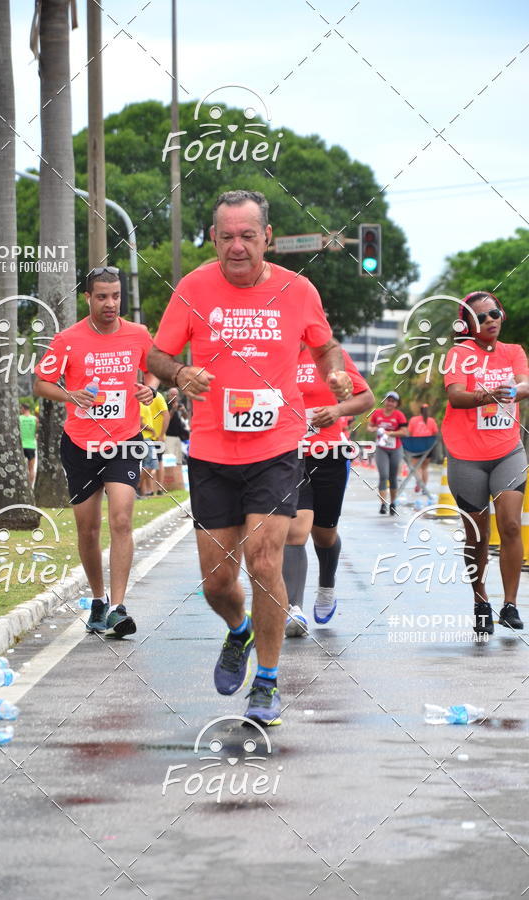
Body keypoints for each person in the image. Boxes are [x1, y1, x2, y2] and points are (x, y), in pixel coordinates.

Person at [146, 189, 352, 726]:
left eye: (248, 235)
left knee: (265, 562)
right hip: (213, 451)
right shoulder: (193, 287)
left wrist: (331, 369)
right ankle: (237, 633)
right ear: (214, 238)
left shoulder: (297, 289)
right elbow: (158, 353)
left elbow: (323, 343)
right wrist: (178, 374)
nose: (237, 246)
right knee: (217, 581)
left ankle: (267, 681)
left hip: (276, 447)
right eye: (226, 236)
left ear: (268, 238)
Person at [34, 266, 156, 637]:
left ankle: (119, 607)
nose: (110, 303)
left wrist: (148, 388)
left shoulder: (138, 334)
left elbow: (153, 370)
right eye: (102, 296)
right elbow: (41, 383)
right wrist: (70, 394)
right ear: (88, 297)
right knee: (88, 529)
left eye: (116, 296)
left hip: (125, 439)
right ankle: (99, 600)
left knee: (121, 518)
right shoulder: (68, 340)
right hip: (81, 443)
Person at [442, 290, 529, 635]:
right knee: (476, 535)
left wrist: (516, 390)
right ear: (468, 324)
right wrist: (487, 395)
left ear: (501, 315)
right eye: (481, 317)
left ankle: (510, 605)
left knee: (509, 524)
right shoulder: (458, 354)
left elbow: (524, 383)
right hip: (466, 456)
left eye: (494, 313)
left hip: (508, 450)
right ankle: (480, 600)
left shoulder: (513, 352)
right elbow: (456, 395)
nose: (490, 320)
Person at [283, 346, 374, 636]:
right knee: (296, 530)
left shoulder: (331, 357)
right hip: (288, 454)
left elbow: (366, 398)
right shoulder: (272, 353)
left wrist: (337, 410)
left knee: (324, 534)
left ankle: (326, 586)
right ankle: (293, 609)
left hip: (329, 453)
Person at [368, 392, 408, 515]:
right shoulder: (377, 413)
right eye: (388, 400)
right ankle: (383, 504)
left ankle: (393, 503)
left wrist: (389, 433)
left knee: (393, 477)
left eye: (393, 401)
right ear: (384, 401)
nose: (390, 403)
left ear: (396, 403)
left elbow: (405, 432)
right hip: (381, 448)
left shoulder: (399, 415)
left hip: (396, 448)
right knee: (383, 475)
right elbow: (369, 427)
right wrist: (375, 429)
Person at [139, 391, 169, 496]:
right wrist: (153, 431)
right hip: (147, 436)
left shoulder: (156, 397)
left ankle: (148, 490)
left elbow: (166, 415)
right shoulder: (141, 400)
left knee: (151, 463)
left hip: (153, 437)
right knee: (151, 463)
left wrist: (160, 434)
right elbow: (140, 421)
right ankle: (142, 488)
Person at [408, 403, 439, 493]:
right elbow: (435, 433)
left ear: (420, 411)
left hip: (416, 446)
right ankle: (424, 488)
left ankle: (418, 482)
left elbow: (409, 433)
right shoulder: (431, 420)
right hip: (428, 447)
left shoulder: (413, 420)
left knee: (417, 467)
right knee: (425, 468)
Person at [165, 387, 190, 465]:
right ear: (168, 396)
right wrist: (173, 410)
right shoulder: (166, 405)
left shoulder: (180, 404)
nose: (174, 397)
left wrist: (183, 410)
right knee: (169, 461)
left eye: (176, 395)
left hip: (179, 437)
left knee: (178, 462)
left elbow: (185, 418)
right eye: (172, 395)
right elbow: (166, 420)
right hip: (168, 436)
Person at [19, 402, 38, 486]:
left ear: (23, 409)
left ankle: (22, 485)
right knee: (31, 468)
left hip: (21, 446)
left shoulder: (19, 418)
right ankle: (30, 486)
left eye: (20, 408)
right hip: (31, 446)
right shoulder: (35, 419)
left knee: (21, 467)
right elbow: (37, 433)